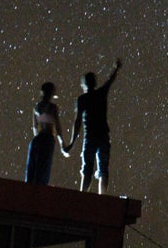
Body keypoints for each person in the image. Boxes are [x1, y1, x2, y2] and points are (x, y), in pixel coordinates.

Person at [64, 58, 122, 194]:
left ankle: (82, 197)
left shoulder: (82, 99)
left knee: (87, 169)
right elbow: (110, 80)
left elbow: (77, 122)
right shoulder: (101, 93)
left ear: (84, 84)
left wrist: (72, 143)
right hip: (103, 136)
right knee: (103, 169)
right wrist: (116, 68)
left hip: (90, 137)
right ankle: (102, 197)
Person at [26, 82, 67, 185]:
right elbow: (57, 126)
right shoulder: (53, 107)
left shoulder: (36, 107)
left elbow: (35, 127)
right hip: (47, 140)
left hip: (37, 140)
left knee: (32, 171)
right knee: (43, 170)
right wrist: (62, 143)